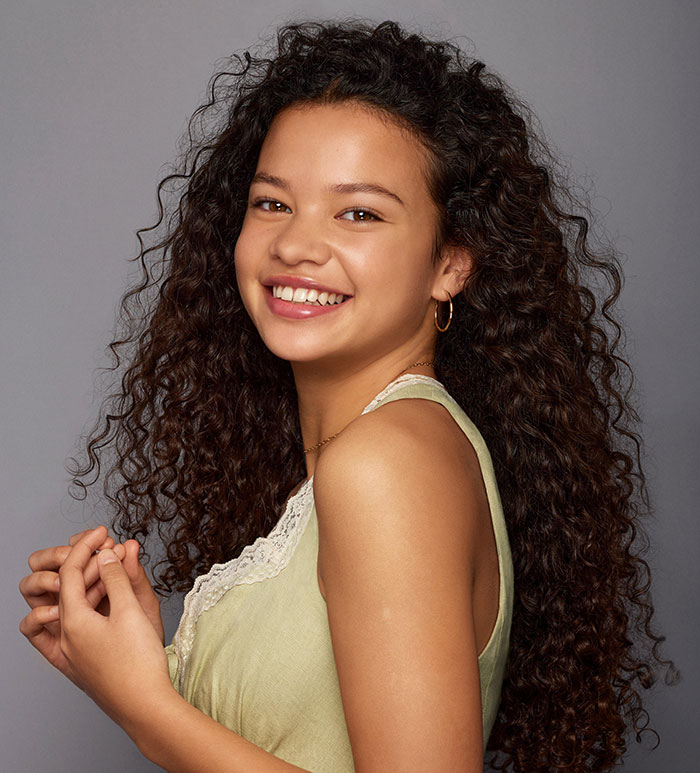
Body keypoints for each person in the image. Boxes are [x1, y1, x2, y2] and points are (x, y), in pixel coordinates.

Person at [18, 19, 676, 772]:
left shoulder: (385, 462)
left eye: (358, 212)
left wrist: (146, 707)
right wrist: (130, 668)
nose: (296, 244)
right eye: (271, 203)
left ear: (451, 264)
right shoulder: (396, 449)